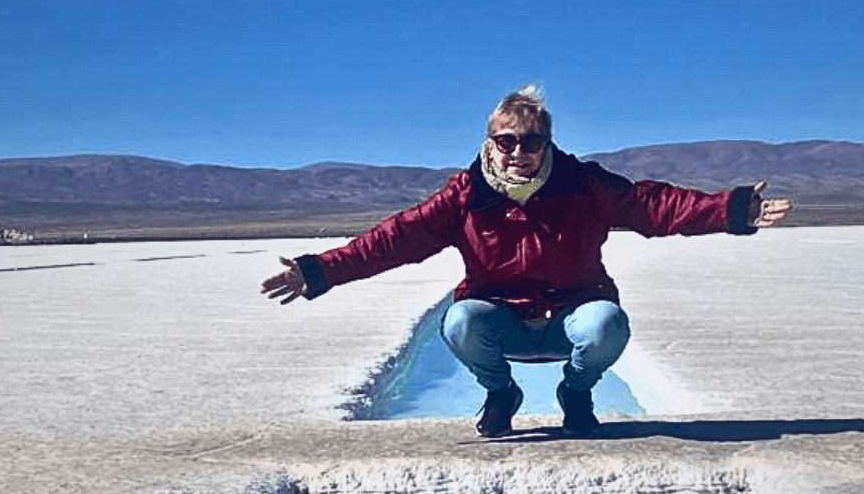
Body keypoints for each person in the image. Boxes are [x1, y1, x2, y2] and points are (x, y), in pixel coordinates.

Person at [262, 86, 791, 436]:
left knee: (607, 323)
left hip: (572, 315)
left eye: (531, 141)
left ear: (547, 143)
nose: (518, 151)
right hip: (502, 321)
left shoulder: (583, 185)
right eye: (507, 141)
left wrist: (732, 209)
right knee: (460, 321)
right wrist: (320, 270)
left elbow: (654, 205)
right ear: (490, 144)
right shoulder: (465, 196)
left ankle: (576, 393)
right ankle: (501, 394)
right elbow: (393, 240)